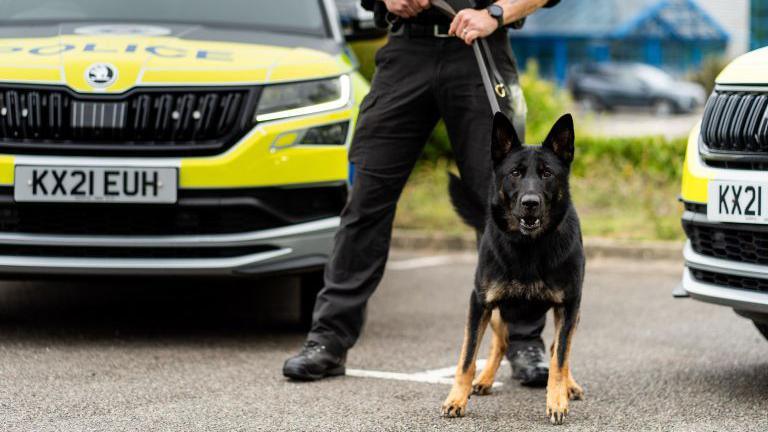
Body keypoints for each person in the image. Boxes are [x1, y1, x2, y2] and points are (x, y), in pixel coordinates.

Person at [283, 0, 561, 386]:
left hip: (478, 48)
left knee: (505, 205)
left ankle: (524, 340)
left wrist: (494, 14)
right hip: (405, 52)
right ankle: (327, 340)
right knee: (366, 202)